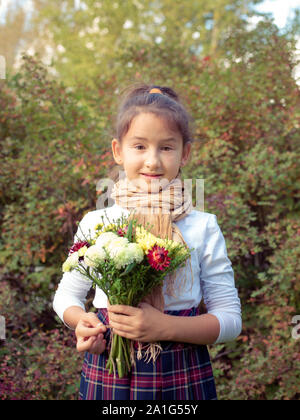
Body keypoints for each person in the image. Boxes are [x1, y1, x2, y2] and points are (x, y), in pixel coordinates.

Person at [53, 83, 242, 400]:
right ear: (117, 151)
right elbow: (66, 298)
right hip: (110, 370)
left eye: (166, 148)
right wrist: (82, 323)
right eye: (139, 147)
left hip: (180, 372)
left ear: (185, 153)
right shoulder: (98, 222)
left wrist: (164, 327)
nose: (152, 161)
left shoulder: (202, 226)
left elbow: (230, 320)